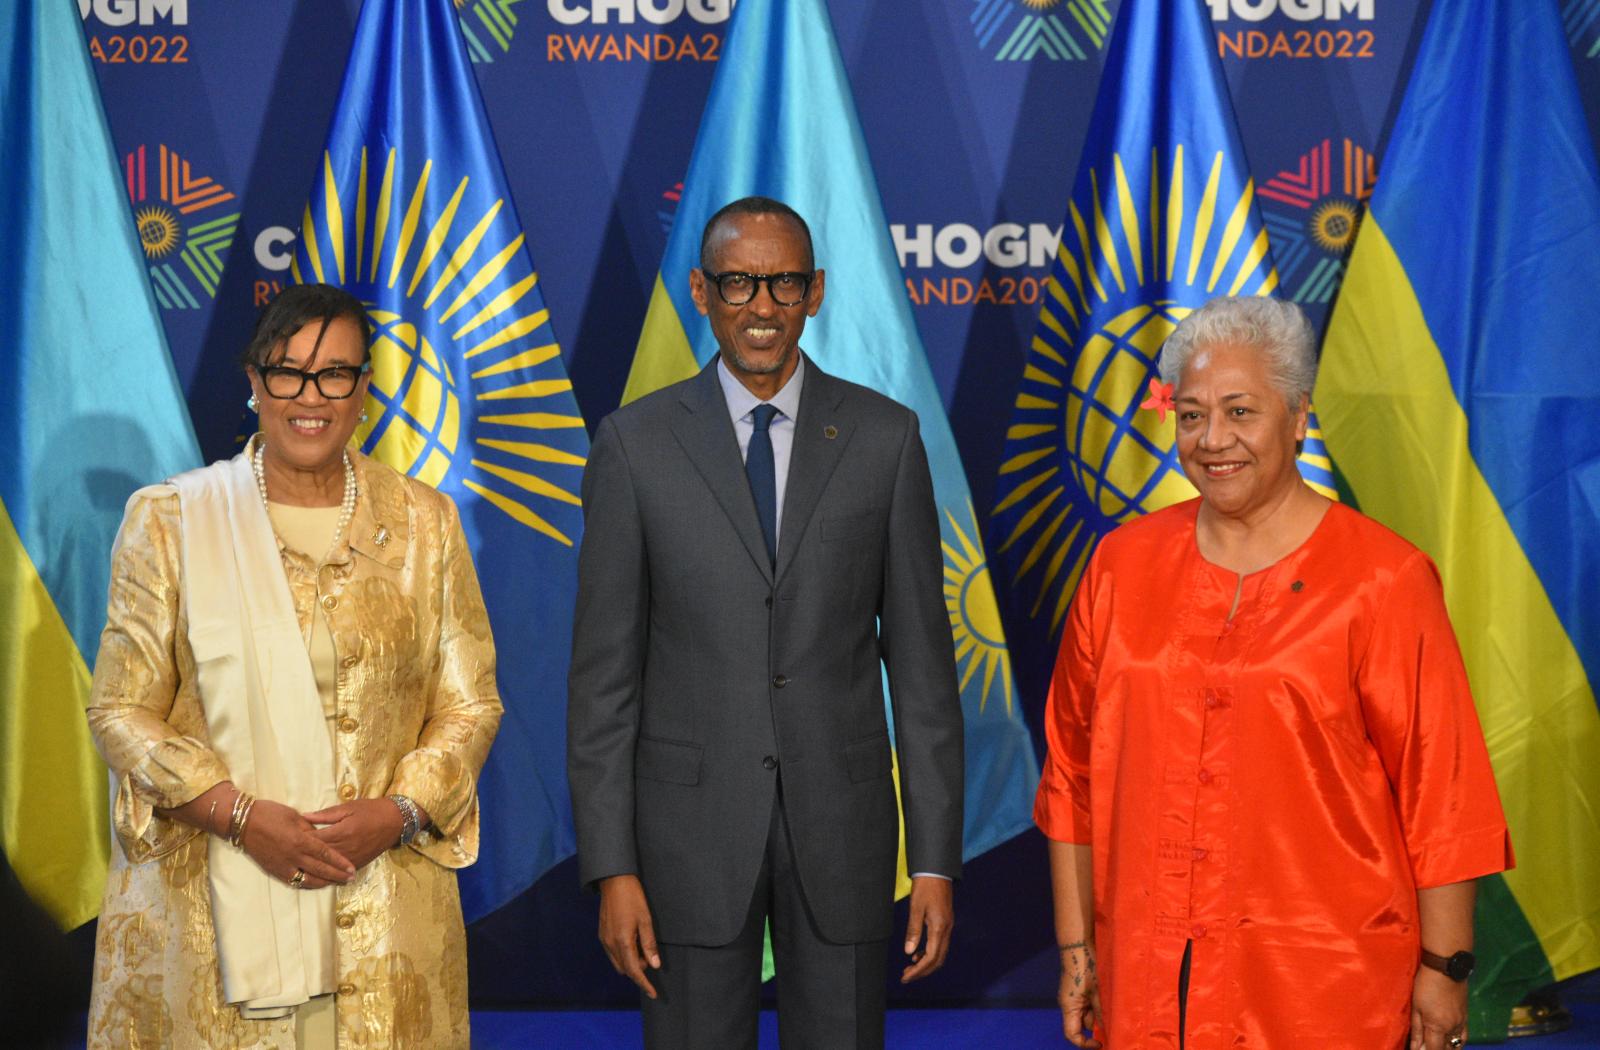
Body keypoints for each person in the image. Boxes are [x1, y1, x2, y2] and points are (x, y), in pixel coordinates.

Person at [1036, 296, 1512, 1050]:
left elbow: (1444, 799)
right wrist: (1076, 949)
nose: (1213, 440)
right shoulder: (1121, 567)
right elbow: (1070, 777)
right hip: (1147, 976)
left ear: (1297, 415)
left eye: (1239, 411)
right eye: (1191, 415)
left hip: (1325, 987)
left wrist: (1444, 968)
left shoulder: (1383, 580)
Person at [567, 196, 965, 1050]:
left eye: (783, 283)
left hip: (846, 834)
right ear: (701, 292)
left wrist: (933, 861)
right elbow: (605, 681)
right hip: (683, 844)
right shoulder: (634, 445)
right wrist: (612, 867)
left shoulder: (885, 438)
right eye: (740, 282)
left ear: (815, 291)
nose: (762, 306)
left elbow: (926, 672)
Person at [85, 283, 501, 1048]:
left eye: (336, 373)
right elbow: (119, 710)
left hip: (381, 908)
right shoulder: (173, 520)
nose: (312, 396)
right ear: (254, 382)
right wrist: (240, 818)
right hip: (212, 908)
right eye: (289, 372)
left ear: (364, 390)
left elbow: (470, 703)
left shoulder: (426, 523)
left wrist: (399, 811)